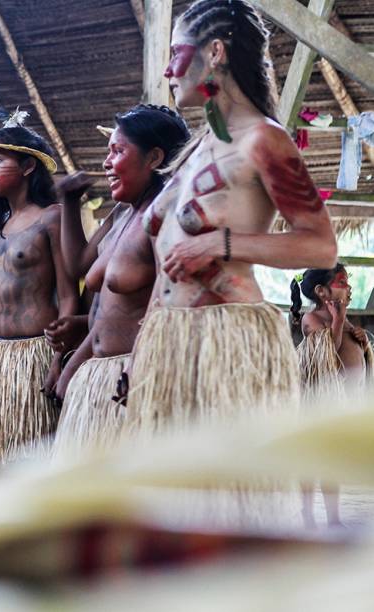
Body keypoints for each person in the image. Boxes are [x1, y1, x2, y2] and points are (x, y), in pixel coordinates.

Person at [125, 0, 337, 434]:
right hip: (168, 342)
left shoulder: (264, 140)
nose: (168, 71)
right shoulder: (196, 150)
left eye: (175, 55)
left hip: (227, 340)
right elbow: (166, 260)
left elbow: (320, 244)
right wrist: (142, 351)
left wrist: (217, 244)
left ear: (215, 53)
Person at [49, 106, 189, 454]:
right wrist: (69, 201)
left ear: (154, 157)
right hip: (99, 376)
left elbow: (168, 304)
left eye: (117, 151)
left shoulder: (167, 217)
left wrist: (140, 368)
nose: (106, 162)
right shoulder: (123, 213)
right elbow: (81, 266)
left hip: (135, 379)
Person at [0, 117, 75, 468]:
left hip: (35, 355)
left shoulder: (52, 218)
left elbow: (69, 296)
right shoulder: (0, 224)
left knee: (36, 464)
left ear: (27, 166)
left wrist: (58, 360)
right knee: (3, 464)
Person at [292, 266, 372, 528]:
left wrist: (362, 339)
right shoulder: (311, 318)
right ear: (321, 291)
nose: (348, 287)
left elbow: (352, 348)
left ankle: (334, 517)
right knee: (310, 460)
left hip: (343, 401)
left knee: (331, 462)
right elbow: (328, 352)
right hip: (318, 402)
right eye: (341, 282)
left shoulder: (345, 319)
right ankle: (305, 511)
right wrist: (338, 321)